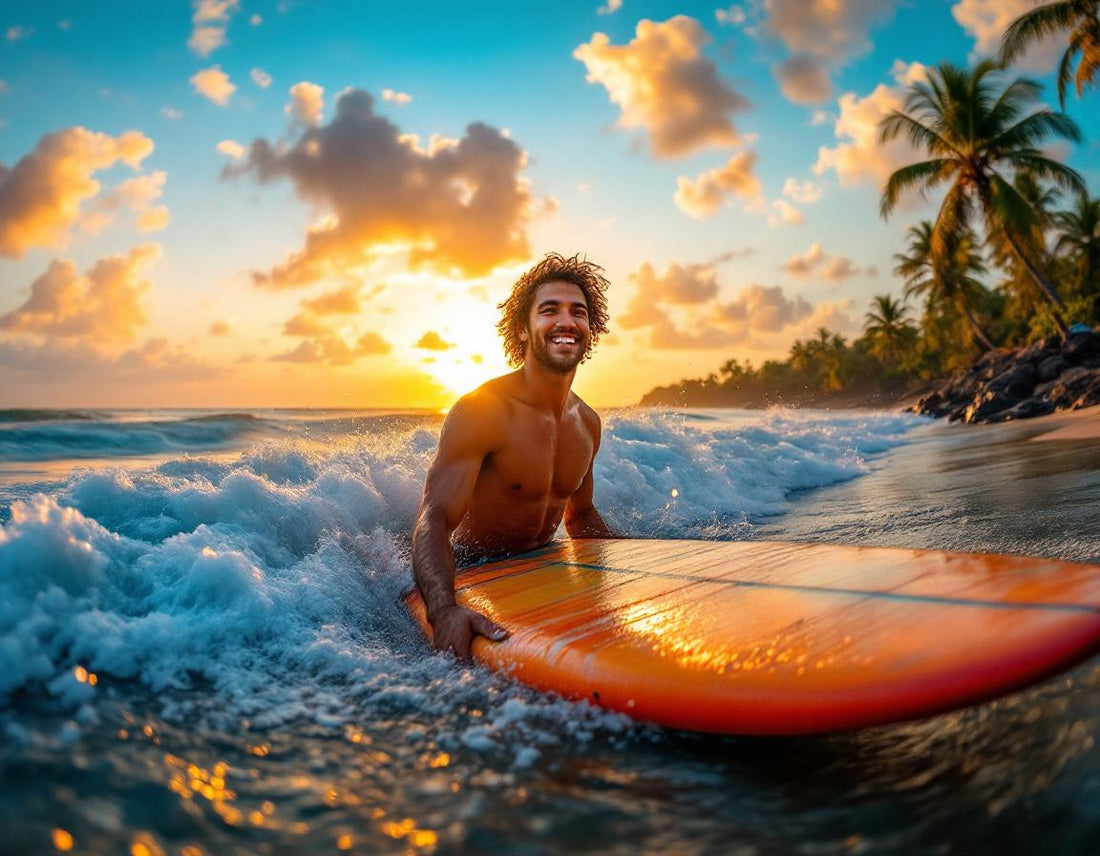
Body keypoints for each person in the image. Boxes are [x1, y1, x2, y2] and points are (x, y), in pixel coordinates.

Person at [412, 252, 618, 659]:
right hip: (472, 568)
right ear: (523, 330)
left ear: (589, 331)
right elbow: (432, 519)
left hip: (541, 564)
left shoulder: (587, 422)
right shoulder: (484, 410)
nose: (566, 321)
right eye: (549, 310)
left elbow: (581, 516)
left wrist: (628, 559)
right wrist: (444, 609)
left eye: (578, 312)